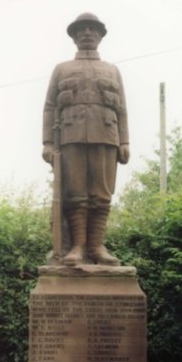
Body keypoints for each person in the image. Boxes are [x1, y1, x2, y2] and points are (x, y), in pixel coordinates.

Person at [42, 13, 130, 266]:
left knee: (101, 195)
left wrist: (125, 141)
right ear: (74, 37)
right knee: (75, 194)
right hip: (70, 137)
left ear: (101, 36)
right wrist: (48, 142)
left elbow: (122, 109)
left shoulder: (112, 70)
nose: (87, 33)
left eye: (93, 29)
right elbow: (49, 107)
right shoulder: (62, 69)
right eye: (81, 30)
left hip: (106, 135)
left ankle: (97, 247)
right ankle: (78, 247)